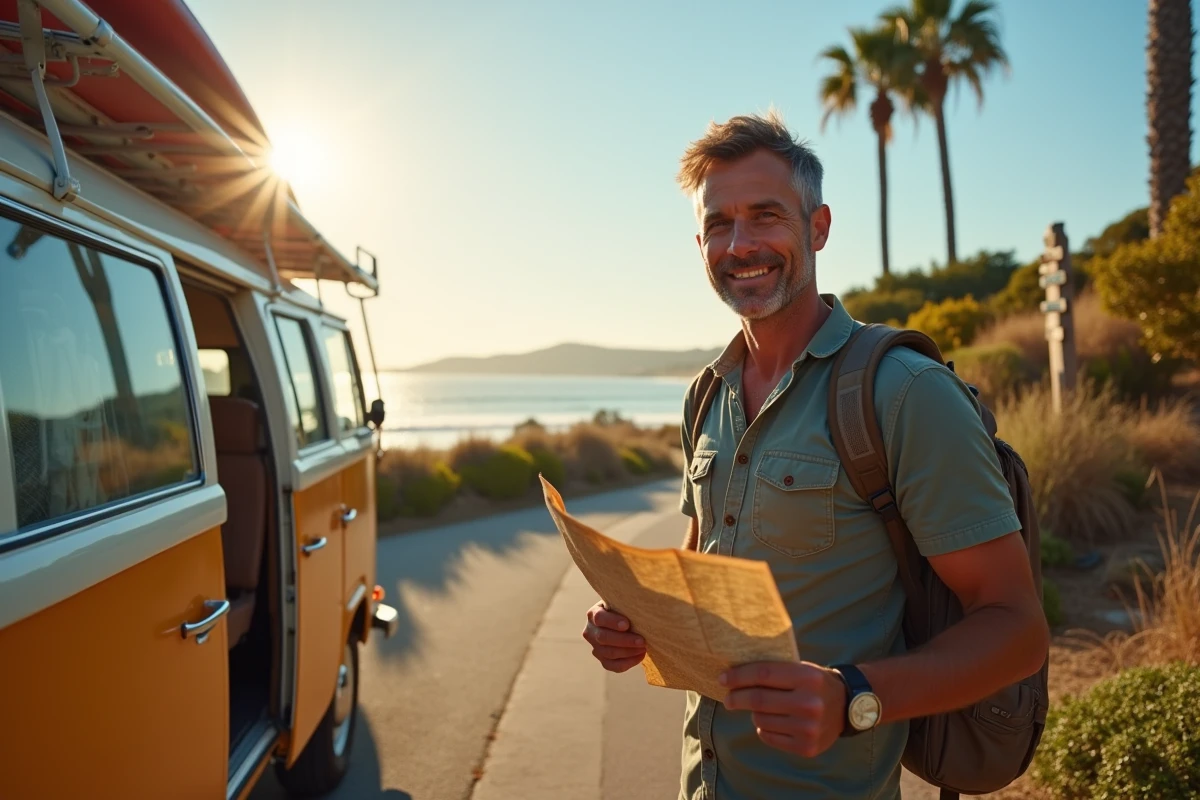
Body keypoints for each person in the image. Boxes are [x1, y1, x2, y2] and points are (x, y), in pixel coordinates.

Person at [581, 111, 1050, 799]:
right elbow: (699, 573)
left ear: (819, 227)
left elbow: (1017, 629)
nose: (740, 244)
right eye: (718, 224)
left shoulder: (905, 393)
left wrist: (854, 697)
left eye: (766, 215)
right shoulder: (704, 396)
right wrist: (636, 626)